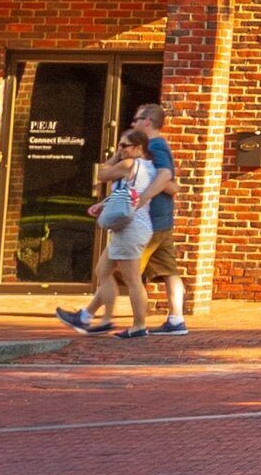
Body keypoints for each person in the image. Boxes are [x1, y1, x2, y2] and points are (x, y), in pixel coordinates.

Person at [59, 130, 154, 337]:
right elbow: (127, 194)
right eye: (120, 146)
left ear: (139, 148)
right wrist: (103, 203)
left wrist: (114, 156)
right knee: (102, 271)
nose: (121, 149)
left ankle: (138, 326)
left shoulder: (130, 164)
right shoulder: (148, 168)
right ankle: (99, 318)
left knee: (132, 279)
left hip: (130, 228)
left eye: (124, 145)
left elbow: (102, 174)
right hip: (129, 227)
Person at [130, 101, 191, 335]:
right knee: (169, 270)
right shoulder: (156, 146)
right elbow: (168, 182)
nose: (133, 123)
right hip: (162, 220)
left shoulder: (154, 146)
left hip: (151, 221)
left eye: (136, 120)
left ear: (147, 122)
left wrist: (143, 198)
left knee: (127, 270)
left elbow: (164, 175)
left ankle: (133, 324)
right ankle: (176, 319)